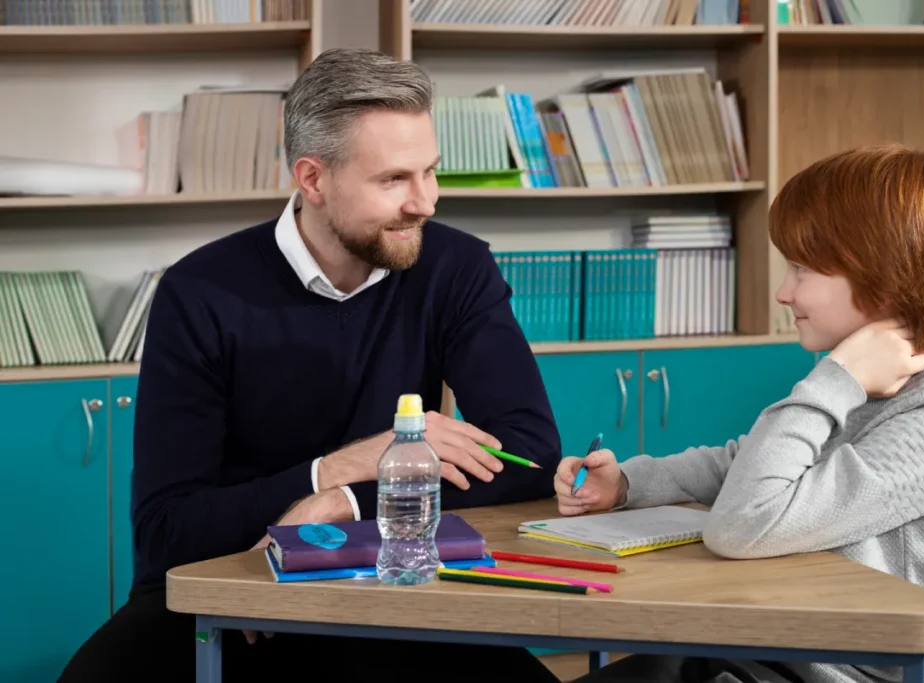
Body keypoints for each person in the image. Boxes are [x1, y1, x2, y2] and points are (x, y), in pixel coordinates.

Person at [59, 48, 561, 683]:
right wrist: (339, 466)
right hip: (231, 587)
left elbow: (531, 455)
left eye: (430, 172)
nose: (425, 202)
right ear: (313, 179)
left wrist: (343, 502)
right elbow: (167, 532)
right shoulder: (200, 292)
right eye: (393, 180)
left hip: (391, 584)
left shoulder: (455, 269)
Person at [553, 145, 924, 683]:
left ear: (882, 278)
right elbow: (747, 465)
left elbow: (743, 523)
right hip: (774, 649)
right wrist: (630, 481)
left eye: (802, 269)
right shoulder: (872, 387)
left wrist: (835, 376)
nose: (783, 291)